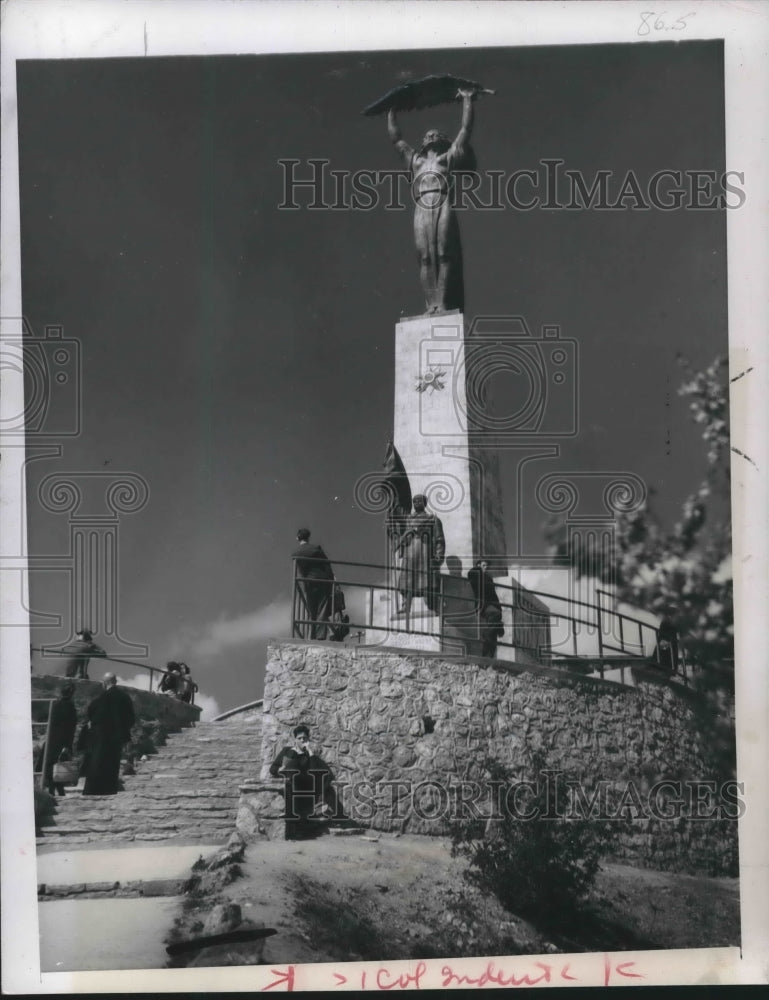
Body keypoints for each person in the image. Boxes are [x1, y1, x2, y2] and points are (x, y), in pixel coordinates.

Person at [387, 88, 477, 314]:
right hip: (421, 206)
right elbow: (396, 139)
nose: (430, 136)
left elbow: (466, 129)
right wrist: (391, 110)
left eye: (435, 134)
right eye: (428, 135)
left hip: (442, 201)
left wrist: (466, 99)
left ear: (443, 141)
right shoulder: (415, 162)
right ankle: (432, 305)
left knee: (444, 253)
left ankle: (443, 302)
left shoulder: (447, 159)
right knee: (426, 257)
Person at [269, 724, 345, 839]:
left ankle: (296, 830)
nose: (302, 740)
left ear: (308, 739)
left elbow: (317, 771)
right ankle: (292, 831)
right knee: (290, 789)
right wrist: (279, 770)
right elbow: (272, 769)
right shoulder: (287, 751)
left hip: (305, 787)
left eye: (304, 738)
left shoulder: (309, 756)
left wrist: (310, 752)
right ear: (295, 740)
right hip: (291, 784)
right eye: (299, 738)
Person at [81, 673, 136, 796]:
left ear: (104, 683)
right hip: (116, 738)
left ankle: (92, 791)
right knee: (112, 764)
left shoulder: (99, 699)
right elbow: (131, 719)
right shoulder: (124, 697)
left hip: (98, 737)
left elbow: (90, 715)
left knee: (96, 762)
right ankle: (109, 790)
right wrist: (123, 732)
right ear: (115, 681)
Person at [395, 495, 445, 616]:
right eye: (414, 501)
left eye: (419, 500)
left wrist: (439, 555)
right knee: (406, 580)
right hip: (410, 552)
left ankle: (431, 606)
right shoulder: (409, 520)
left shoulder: (433, 519)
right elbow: (403, 538)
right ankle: (405, 605)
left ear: (425, 503)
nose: (416, 502)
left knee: (426, 581)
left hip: (425, 551)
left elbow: (439, 539)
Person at [291, 528, 336, 640]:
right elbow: (326, 565)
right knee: (322, 608)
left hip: (309, 584)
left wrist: (305, 585)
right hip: (323, 582)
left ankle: (312, 636)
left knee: (312, 612)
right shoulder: (316, 549)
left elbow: (300, 572)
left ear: (297, 538)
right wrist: (332, 580)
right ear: (308, 537)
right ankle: (321, 635)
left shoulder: (296, 554)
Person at [42, 682, 78, 796]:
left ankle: (53, 790)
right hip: (63, 740)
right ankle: (60, 791)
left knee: (51, 764)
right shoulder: (71, 707)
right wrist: (68, 745)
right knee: (60, 764)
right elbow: (71, 727)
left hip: (52, 738)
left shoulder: (55, 705)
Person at [467, 560, 505, 658]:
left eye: (487, 566)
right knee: (494, 620)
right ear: (478, 565)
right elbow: (470, 574)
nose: (486, 567)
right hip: (483, 605)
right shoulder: (475, 575)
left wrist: (499, 607)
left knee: (493, 635)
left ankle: (488, 658)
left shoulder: (489, 578)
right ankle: (493, 629)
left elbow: (493, 595)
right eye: (484, 565)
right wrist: (478, 568)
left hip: (492, 605)